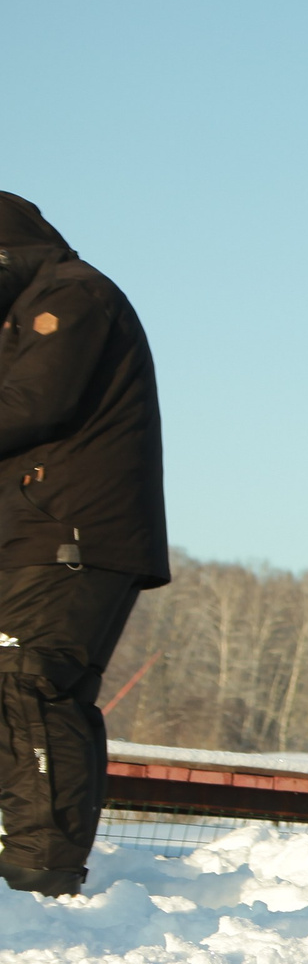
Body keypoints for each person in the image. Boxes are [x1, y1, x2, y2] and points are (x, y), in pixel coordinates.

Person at [0, 192, 167, 897]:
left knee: (32, 683)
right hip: (38, 530)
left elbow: (32, 403)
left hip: (71, 535)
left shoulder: (74, 297)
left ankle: (40, 877)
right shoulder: (32, 305)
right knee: (25, 685)